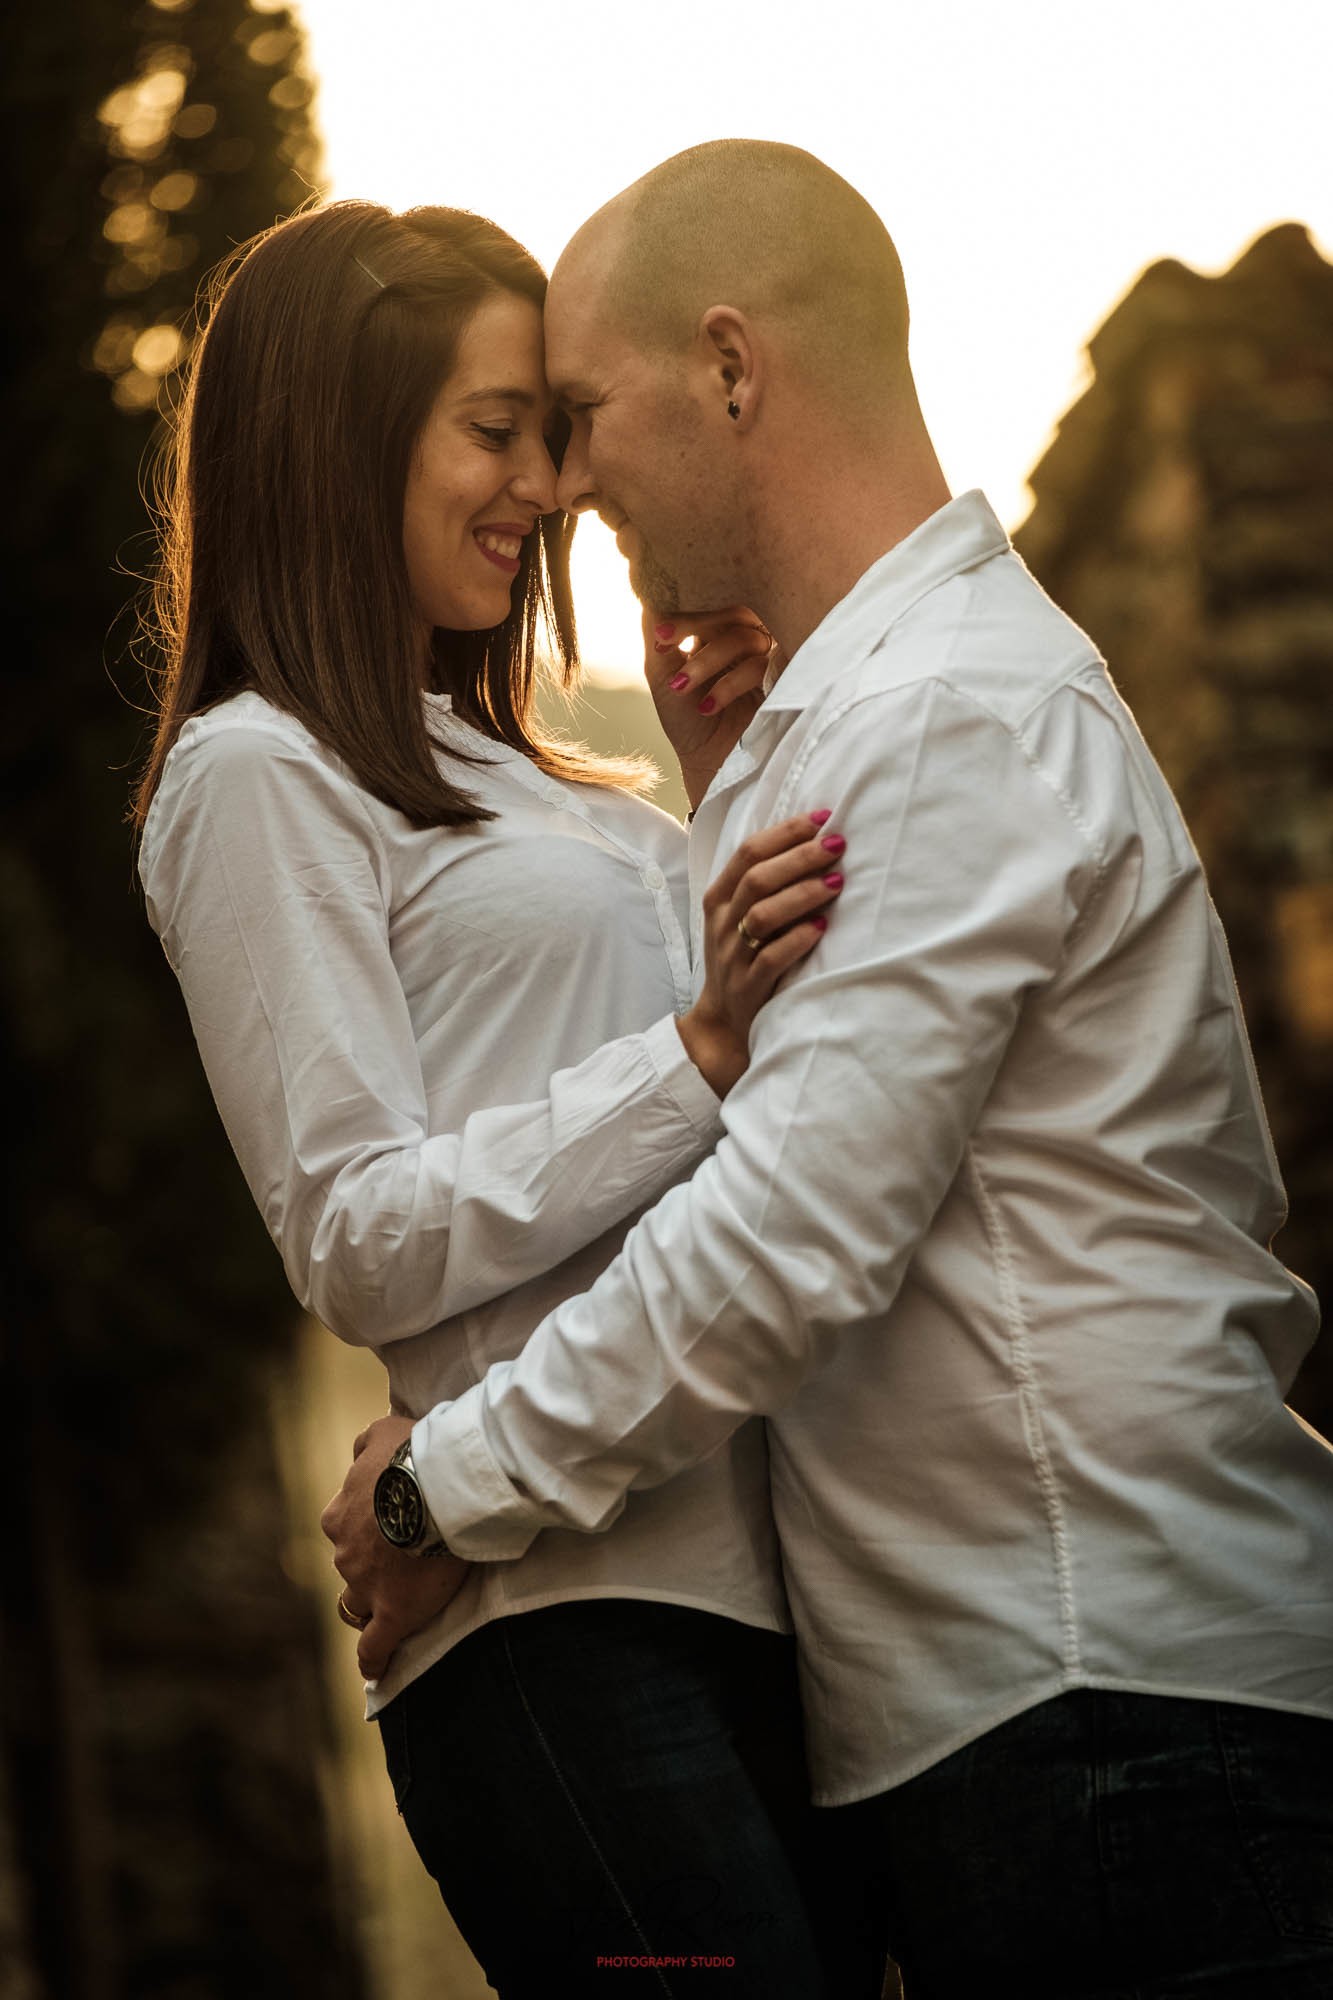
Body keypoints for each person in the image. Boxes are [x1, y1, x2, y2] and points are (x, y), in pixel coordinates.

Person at [324, 143, 1333, 1999]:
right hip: (1040, 1727)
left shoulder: (940, 715)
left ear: (729, 369)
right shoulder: (884, 715)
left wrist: (432, 1491)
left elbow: (784, 1240)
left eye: (581, 413)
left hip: (1112, 1712)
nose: (560, 482)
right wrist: (729, 807)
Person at [134, 198, 860, 1998]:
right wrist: (684, 1054)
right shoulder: (256, 774)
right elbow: (358, 1238)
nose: (542, 482)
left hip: (777, 1593)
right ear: (334, 436)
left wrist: (716, 774)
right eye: (493, 430)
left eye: (549, 432)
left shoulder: (541, 773)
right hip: (552, 1634)